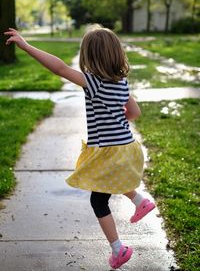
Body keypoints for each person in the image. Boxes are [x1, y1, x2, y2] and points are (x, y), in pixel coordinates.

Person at [4, 25, 155, 269]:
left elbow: (60, 68)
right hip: (127, 146)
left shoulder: (93, 83)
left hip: (108, 150)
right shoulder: (122, 83)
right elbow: (135, 112)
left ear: (90, 57)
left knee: (99, 201)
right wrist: (116, 122)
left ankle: (118, 250)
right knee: (110, 179)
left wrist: (27, 45)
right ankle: (139, 202)